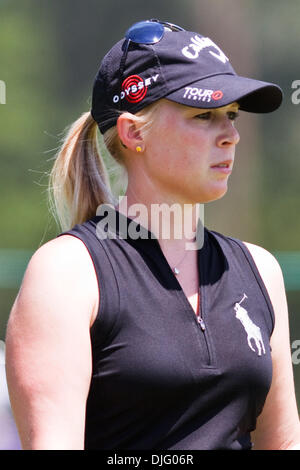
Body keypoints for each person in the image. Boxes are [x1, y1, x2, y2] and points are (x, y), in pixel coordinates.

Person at [5, 19, 300, 451]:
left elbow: (283, 442)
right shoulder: (67, 273)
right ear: (133, 133)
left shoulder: (261, 270)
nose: (231, 136)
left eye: (232, 116)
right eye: (204, 115)